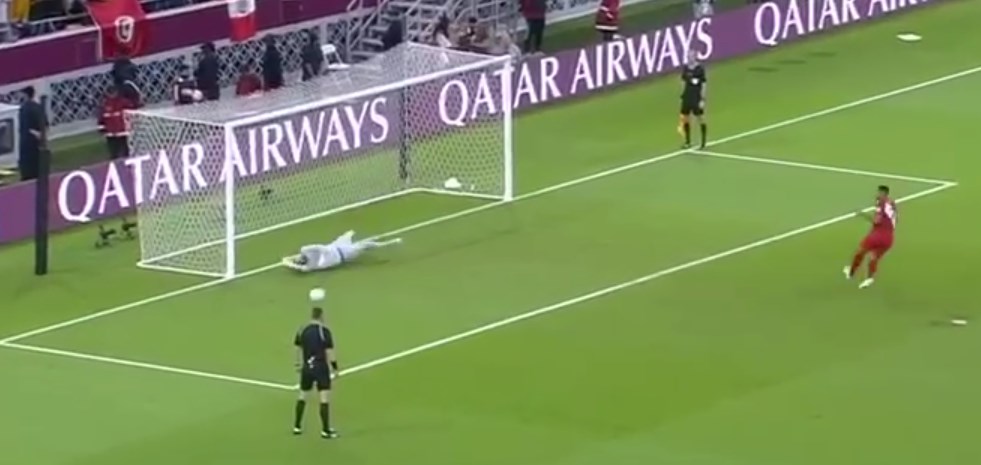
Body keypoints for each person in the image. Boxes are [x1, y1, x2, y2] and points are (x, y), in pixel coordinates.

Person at [292, 306, 339, 439]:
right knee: (324, 398)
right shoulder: (324, 332)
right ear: (321, 316)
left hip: (307, 367)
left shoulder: (302, 330)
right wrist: (335, 368)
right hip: (320, 368)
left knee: (302, 395)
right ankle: (325, 430)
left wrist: (297, 363)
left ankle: (297, 426)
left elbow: (297, 347)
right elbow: (329, 352)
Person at [844, 185, 897, 289]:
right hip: (889, 238)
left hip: (878, 235)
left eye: (879, 192)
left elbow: (876, 221)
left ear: (884, 194)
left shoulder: (882, 203)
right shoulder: (892, 204)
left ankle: (851, 273)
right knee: (874, 257)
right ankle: (869, 279)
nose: (877, 194)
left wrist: (862, 214)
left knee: (860, 251)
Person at [282, 230, 402, 272]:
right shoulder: (311, 265)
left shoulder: (306, 252)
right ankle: (389, 243)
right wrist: (287, 262)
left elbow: (317, 247)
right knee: (364, 245)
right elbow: (298, 267)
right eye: (298, 260)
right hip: (344, 255)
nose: (298, 258)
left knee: (350, 232)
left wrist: (288, 259)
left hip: (337, 245)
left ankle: (378, 238)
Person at [96, 85, 137, 160]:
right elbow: (101, 119)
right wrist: (102, 130)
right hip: (111, 133)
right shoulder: (105, 104)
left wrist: (131, 125)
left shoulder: (123, 102)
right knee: (114, 152)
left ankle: (126, 161)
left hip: (122, 132)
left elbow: (132, 111)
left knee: (125, 150)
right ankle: (117, 162)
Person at [678, 50, 708, 149]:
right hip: (687, 97)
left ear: (695, 57)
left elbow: (703, 84)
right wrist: (682, 95)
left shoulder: (700, 69)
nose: (689, 58)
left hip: (696, 97)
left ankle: (703, 142)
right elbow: (683, 82)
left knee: (700, 118)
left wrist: (702, 99)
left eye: (691, 56)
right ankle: (688, 142)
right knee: (685, 118)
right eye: (688, 56)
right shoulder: (685, 68)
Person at [17, 85, 46, 181]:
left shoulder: (24, 109)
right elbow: (45, 124)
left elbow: (25, 127)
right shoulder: (38, 107)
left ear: (25, 95)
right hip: (38, 140)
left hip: (28, 141)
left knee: (28, 164)